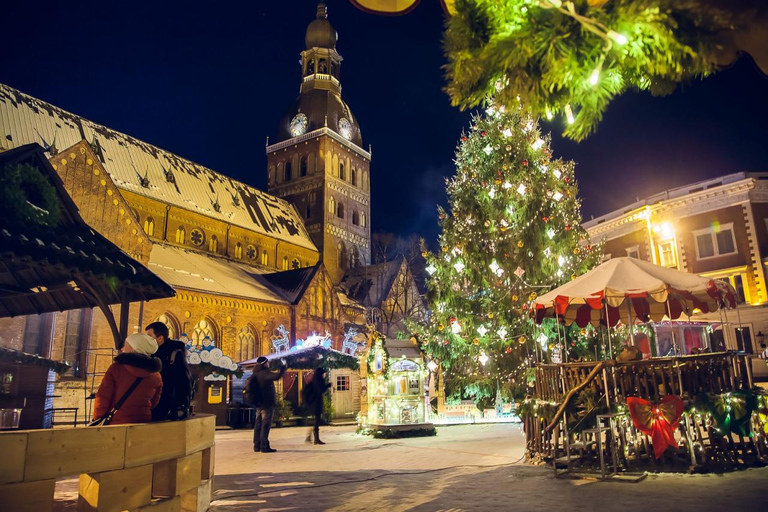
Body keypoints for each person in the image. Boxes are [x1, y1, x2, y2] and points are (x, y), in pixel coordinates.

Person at [93, 333, 163, 425]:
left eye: (126, 345)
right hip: (143, 423)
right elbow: (154, 402)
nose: (122, 348)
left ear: (134, 348)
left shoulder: (116, 369)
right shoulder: (156, 375)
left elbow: (103, 398)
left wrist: (97, 417)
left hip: (116, 423)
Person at [145, 321, 193, 422]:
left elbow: (184, 380)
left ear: (160, 338)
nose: (146, 339)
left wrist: (180, 407)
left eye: (149, 336)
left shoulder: (174, 353)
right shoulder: (149, 354)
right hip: (151, 406)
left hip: (167, 408)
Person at [251, 356, 287, 453]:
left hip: (258, 403)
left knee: (258, 425)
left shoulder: (255, 373)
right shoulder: (264, 373)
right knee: (265, 425)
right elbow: (277, 376)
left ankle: (257, 445)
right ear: (264, 363)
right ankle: (264, 446)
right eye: (267, 362)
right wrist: (283, 368)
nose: (269, 364)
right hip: (266, 403)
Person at [303, 367, 331, 445]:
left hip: (313, 403)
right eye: (324, 373)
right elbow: (320, 390)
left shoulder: (315, 380)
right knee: (317, 420)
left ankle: (312, 436)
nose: (325, 375)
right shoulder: (319, 381)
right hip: (316, 403)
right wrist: (327, 385)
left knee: (317, 420)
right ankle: (316, 438)